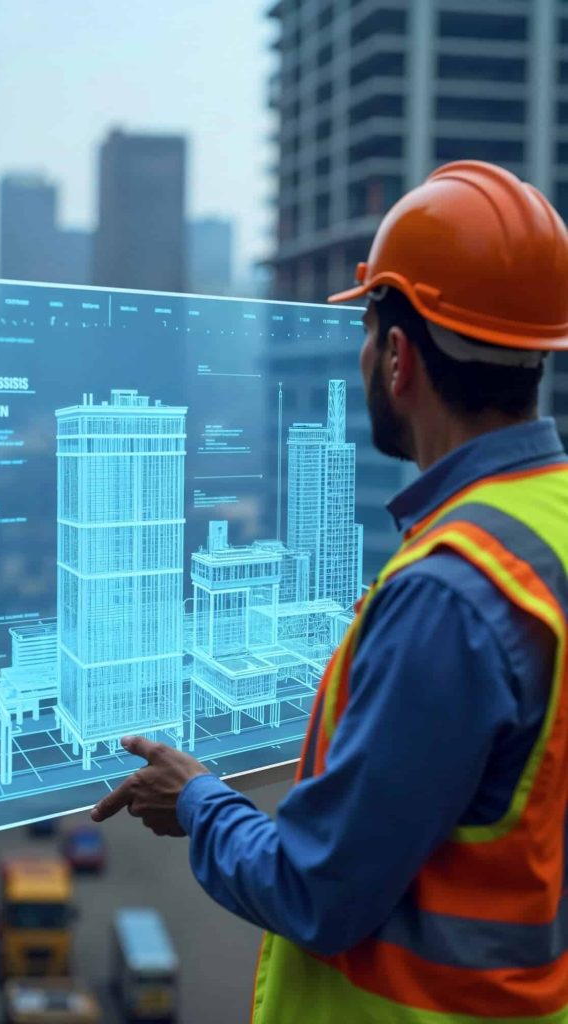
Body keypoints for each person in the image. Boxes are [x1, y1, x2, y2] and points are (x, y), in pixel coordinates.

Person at [91, 161, 568, 1022]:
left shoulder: (453, 591)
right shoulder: (548, 523)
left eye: (367, 335)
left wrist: (196, 800)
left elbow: (316, 890)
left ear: (395, 357)